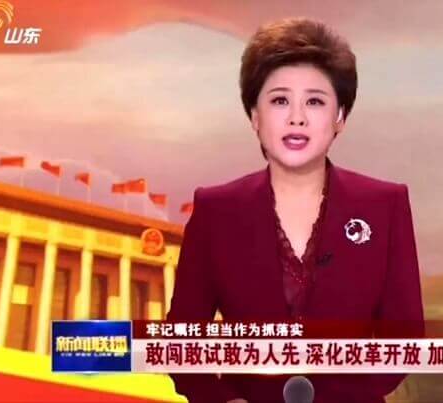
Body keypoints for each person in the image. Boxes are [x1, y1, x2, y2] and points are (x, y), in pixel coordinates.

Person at [166, 17, 424, 403]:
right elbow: (181, 342)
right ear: (255, 116)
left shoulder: (385, 205)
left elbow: (404, 339)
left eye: (315, 101)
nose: (297, 117)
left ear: (340, 117)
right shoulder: (215, 210)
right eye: (280, 100)